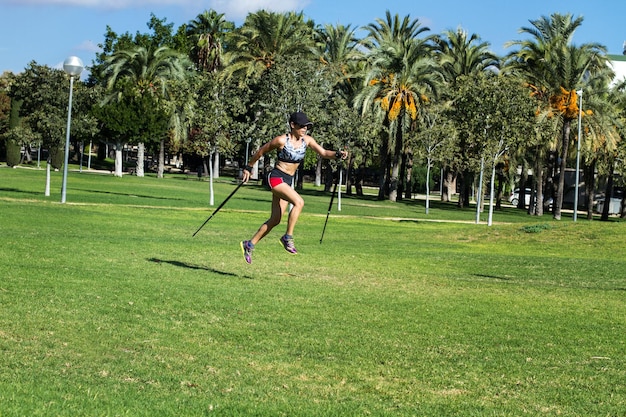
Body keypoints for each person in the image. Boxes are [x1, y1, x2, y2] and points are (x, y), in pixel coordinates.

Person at [240, 111, 347, 264]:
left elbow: (323, 152)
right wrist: (248, 167)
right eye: (302, 126)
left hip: (287, 181)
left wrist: (337, 154)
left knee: (275, 219)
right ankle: (287, 237)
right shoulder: (281, 140)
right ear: (292, 125)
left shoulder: (307, 141)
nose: (305, 129)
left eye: (307, 126)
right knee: (299, 202)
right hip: (276, 177)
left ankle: (249, 244)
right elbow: (261, 151)